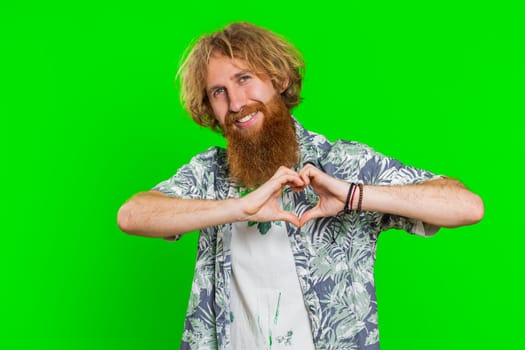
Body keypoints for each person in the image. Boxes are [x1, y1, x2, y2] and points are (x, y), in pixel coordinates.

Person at [117, 22, 484, 350]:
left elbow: (467, 207)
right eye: (218, 92)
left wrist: (355, 195)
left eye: (244, 79)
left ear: (278, 79)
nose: (235, 103)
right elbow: (132, 215)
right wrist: (237, 208)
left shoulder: (341, 163)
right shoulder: (212, 173)